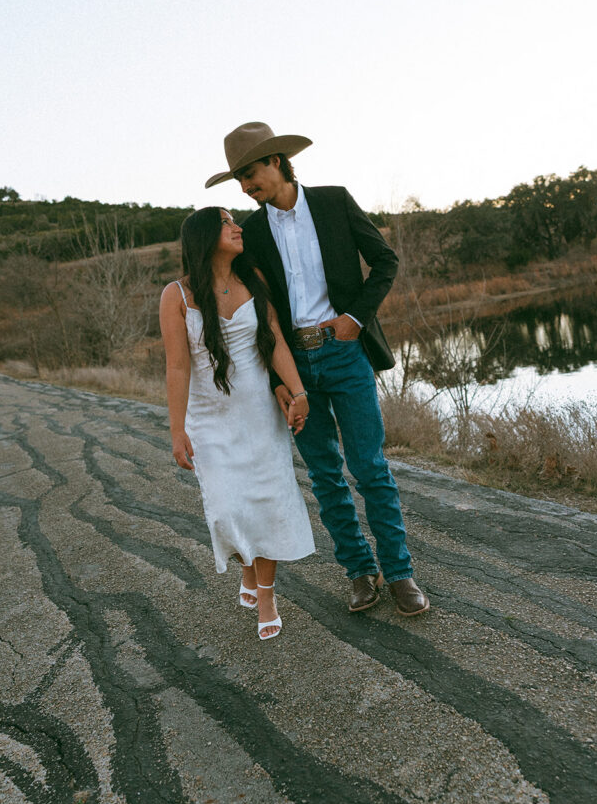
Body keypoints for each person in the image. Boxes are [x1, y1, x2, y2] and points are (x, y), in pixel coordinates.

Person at [204, 122, 429, 616]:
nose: (245, 186)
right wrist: (277, 380)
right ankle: (359, 572)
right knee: (326, 476)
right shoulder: (252, 231)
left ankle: (399, 574)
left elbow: (385, 261)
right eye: (238, 179)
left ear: (278, 162)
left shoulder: (333, 202)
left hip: (346, 353)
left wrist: (355, 318)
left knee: (369, 467)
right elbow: (248, 304)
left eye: (250, 173)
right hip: (293, 367)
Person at [159, 206, 315, 640]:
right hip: (209, 419)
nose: (237, 227)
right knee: (231, 507)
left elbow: (277, 341)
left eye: (235, 221)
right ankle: (248, 568)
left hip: (259, 415)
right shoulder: (177, 295)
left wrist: (297, 391)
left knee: (266, 503)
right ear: (205, 237)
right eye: (226, 223)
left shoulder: (254, 281)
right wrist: (176, 429)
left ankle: (266, 593)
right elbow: (177, 367)